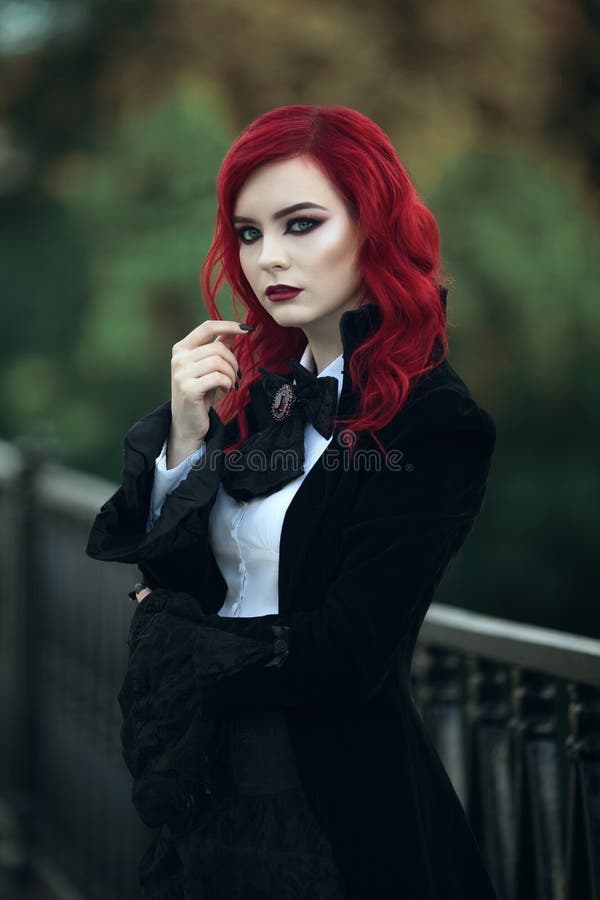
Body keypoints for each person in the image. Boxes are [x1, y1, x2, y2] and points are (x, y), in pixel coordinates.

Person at [86, 105, 498, 900]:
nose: (268, 258)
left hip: (326, 800)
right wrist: (183, 438)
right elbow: (182, 581)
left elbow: (351, 648)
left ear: (372, 228)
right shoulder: (256, 398)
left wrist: (177, 643)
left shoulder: (435, 422)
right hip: (203, 790)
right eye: (248, 233)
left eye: (300, 224)